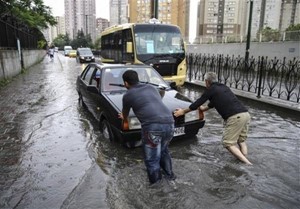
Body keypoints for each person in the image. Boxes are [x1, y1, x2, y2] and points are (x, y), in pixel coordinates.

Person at [174, 72, 253, 165]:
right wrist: (204, 109)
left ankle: (247, 164)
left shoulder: (211, 89)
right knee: (241, 140)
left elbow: (197, 103)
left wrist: (182, 112)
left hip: (235, 117)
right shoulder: (223, 87)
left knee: (228, 143)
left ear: (207, 81)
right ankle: (243, 158)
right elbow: (213, 103)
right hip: (245, 115)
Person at [119, 70, 176, 184]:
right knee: (164, 151)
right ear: (138, 79)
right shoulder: (151, 88)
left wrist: (123, 117)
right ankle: (170, 177)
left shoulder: (127, 95)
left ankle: (157, 189)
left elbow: (125, 115)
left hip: (152, 127)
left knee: (152, 161)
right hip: (170, 122)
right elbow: (160, 95)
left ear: (125, 83)